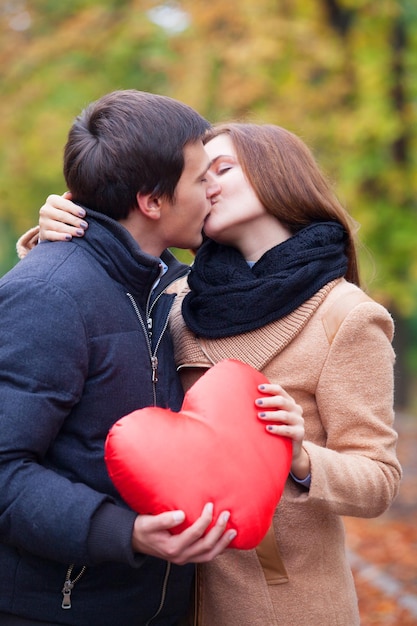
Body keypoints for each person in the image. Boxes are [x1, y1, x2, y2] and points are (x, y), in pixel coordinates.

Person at [20, 122, 402, 626]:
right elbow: (84, 301)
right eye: (199, 175)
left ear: (277, 176)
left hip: (283, 604)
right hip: (168, 597)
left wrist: (301, 457)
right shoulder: (181, 300)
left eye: (222, 169)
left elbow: (379, 479)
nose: (208, 185)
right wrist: (59, 232)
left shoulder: (344, 315)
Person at [0, 89, 240, 626]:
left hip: (155, 607)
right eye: (201, 179)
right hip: (60, 609)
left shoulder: (165, 287)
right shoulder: (49, 295)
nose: (213, 192)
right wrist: (123, 531)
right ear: (152, 202)